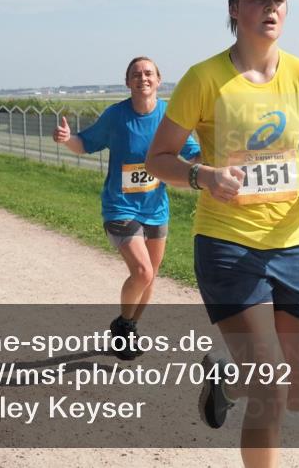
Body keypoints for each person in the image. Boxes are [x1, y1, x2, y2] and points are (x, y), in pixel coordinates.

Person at [146, 0, 299, 467]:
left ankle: (225, 380)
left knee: (297, 392)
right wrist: (203, 176)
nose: (272, 7)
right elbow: (159, 159)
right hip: (227, 243)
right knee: (272, 386)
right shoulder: (204, 78)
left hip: (294, 242)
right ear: (235, 10)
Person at [53, 57, 200, 359]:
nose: (142, 78)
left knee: (151, 276)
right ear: (128, 82)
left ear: (158, 80)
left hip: (155, 208)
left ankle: (127, 326)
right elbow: (85, 143)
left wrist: (213, 161)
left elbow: (194, 154)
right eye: (136, 74)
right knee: (142, 272)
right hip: (120, 207)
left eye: (148, 73)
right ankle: (123, 325)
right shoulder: (116, 116)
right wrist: (68, 140)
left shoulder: (170, 116)